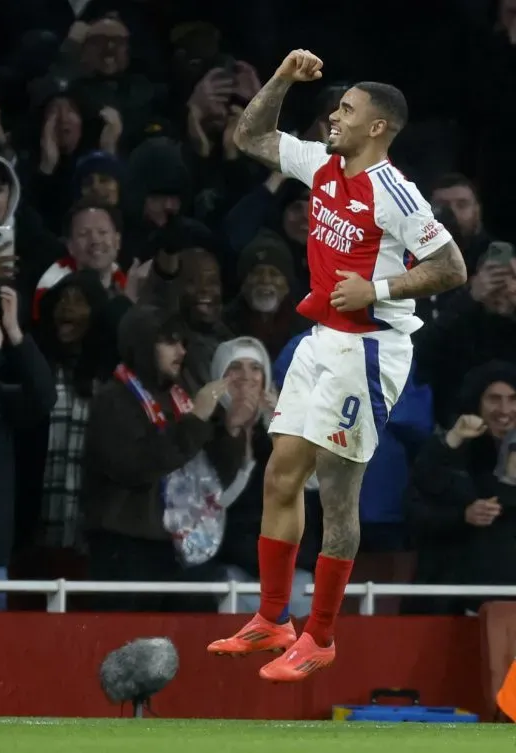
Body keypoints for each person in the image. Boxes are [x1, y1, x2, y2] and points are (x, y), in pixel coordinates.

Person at [206, 49, 468, 681]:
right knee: (280, 475)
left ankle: (320, 636)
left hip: (371, 346)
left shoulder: (396, 193)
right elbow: (250, 137)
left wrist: (378, 289)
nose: (334, 116)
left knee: (337, 492)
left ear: (376, 127)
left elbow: (453, 267)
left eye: (346, 111)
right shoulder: (322, 163)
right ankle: (273, 617)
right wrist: (281, 79)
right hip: (322, 338)